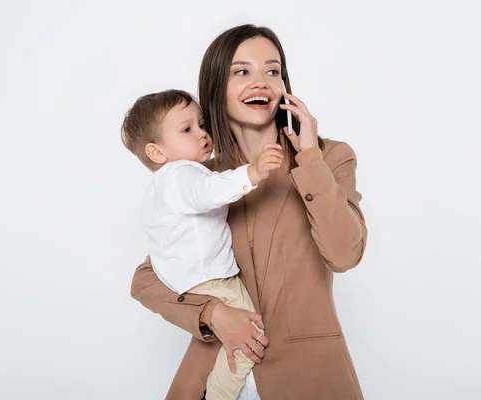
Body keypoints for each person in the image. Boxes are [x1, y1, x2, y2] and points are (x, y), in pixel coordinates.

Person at [131, 24, 368, 400]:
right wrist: (212, 314)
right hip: (219, 370)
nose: (260, 82)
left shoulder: (328, 158)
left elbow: (345, 254)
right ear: (215, 89)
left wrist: (308, 157)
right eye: (241, 71)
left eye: (272, 71)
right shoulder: (202, 182)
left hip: (308, 373)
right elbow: (146, 279)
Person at [121, 89, 283, 399]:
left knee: (232, 341)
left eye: (201, 124)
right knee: (251, 339)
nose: (201, 133)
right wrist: (254, 172)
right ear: (156, 153)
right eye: (186, 129)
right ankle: (219, 395)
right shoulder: (183, 175)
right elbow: (209, 191)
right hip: (213, 281)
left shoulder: (159, 188)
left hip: (187, 284)